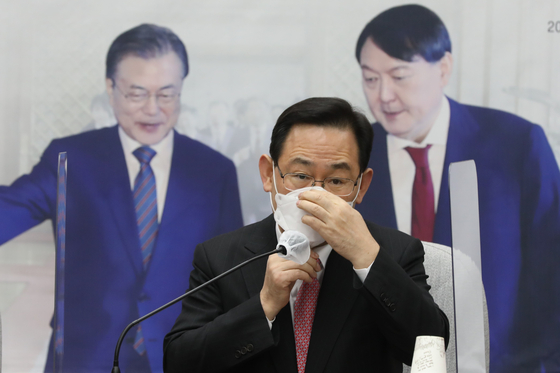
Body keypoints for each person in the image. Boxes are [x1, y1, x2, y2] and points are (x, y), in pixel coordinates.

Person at [0, 24, 243, 373]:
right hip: (87, 359)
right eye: (137, 93)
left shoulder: (214, 171)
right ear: (111, 88)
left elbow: (230, 278)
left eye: (167, 94)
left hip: (184, 358)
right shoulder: (69, 160)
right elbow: (9, 209)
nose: (153, 109)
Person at [163, 97, 449, 373]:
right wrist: (264, 306)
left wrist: (367, 259)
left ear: (361, 186)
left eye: (337, 181)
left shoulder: (394, 252)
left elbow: (430, 346)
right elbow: (179, 362)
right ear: (268, 174)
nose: (316, 195)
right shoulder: (220, 257)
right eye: (300, 176)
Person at [354, 5, 560, 372]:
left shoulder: (516, 145)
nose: (383, 95)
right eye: (371, 79)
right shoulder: (354, 156)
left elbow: (550, 270)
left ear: (443, 68)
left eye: (399, 76)